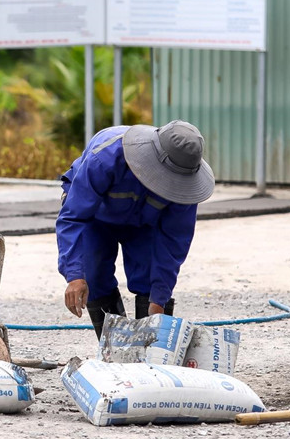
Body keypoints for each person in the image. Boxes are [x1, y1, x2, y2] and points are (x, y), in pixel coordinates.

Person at [56, 120, 215, 339]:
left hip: (143, 222)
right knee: (94, 275)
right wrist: (74, 275)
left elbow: (173, 243)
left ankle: (149, 355)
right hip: (94, 218)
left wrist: (158, 301)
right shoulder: (105, 157)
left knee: (151, 282)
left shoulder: (184, 186)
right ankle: (113, 349)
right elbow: (74, 217)